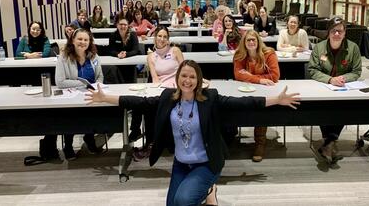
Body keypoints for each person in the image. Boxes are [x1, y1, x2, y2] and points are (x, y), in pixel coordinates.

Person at [85, 60, 300, 206]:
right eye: (183, 76)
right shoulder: (168, 97)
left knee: (184, 201)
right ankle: (206, 192)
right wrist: (105, 98)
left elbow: (244, 102)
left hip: (206, 163)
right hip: (181, 163)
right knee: (174, 204)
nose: (187, 81)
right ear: (178, 78)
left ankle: (209, 189)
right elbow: (138, 102)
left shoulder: (210, 99)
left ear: (199, 80)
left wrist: (276, 100)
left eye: (192, 77)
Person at [308, 16, 362, 164]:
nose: (336, 34)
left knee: (345, 106)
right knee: (321, 106)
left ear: (345, 33)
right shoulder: (319, 47)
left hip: (344, 89)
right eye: (333, 31)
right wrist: (330, 80)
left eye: (340, 31)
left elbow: (356, 71)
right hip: (322, 87)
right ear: (329, 32)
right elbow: (312, 69)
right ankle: (330, 142)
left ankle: (329, 143)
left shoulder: (353, 48)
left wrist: (343, 78)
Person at [49, 28, 103, 160]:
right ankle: (68, 145)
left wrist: (96, 86)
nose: (82, 42)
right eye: (79, 39)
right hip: (71, 96)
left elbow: (100, 77)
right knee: (72, 116)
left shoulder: (94, 57)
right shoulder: (63, 57)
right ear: (72, 40)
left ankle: (89, 138)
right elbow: (60, 82)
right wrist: (83, 84)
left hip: (90, 94)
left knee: (93, 113)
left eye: (86, 40)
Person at [233, 30, 280, 162]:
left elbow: (275, 76)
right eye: (248, 40)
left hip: (265, 91)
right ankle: (230, 135)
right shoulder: (239, 54)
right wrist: (259, 79)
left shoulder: (269, 53)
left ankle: (260, 142)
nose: (251, 42)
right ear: (244, 42)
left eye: (254, 39)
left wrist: (248, 76)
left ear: (259, 41)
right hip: (245, 90)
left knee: (261, 108)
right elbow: (238, 74)